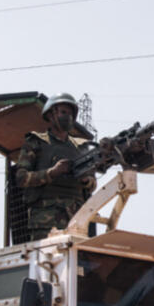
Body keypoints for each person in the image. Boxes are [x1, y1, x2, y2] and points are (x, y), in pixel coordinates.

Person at [14, 93, 97, 241]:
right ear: (51, 115)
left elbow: (92, 184)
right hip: (46, 220)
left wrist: (86, 181)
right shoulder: (36, 142)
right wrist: (51, 173)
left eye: (71, 113)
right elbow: (21, 178)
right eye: (64, 112)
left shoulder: (80, 147)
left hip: (77, 220)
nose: (68, 116)